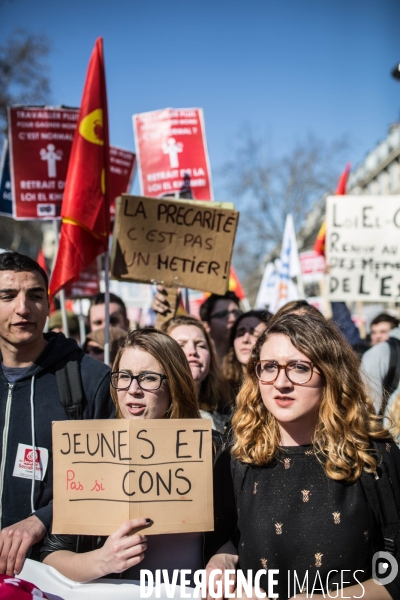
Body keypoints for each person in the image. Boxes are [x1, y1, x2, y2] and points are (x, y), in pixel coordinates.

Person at [207, 312, 400, 599]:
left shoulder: (373, 454)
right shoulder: (238, 451)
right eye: (269, 366)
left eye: (299, 367)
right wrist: (221, 558)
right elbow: (221, 535)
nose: (281, 382)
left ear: (330, 373)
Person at [41, 329, 205, 582]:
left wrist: (222, 558)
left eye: (149, 378)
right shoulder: (91, 452)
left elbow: (234, 536)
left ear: (174, 384)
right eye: (124, 376)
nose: (133, 389)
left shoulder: (211, 452)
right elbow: (51, 556)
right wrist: (100, 561)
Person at [0, 252, 114, 577]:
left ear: (48, 305)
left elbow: (110, 477)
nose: (23, 308)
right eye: (8, 296)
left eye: (35, 296)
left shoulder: (89, 380)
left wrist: (43, 520)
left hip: (53, 576)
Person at [161, 315, 232, 432]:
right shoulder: (151, 416)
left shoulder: (229, 413)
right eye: (181, 345)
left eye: (200, 345)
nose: (193, 351)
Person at [222, 310, 271, 393]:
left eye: (255, 334)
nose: (245, 339)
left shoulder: (276, 386)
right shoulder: (222, 388)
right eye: (240, 334)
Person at [362, 319, 400, 415]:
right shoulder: (369, 353)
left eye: (383, 332)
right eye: (374, 332)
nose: (378, 336)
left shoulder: (376, 353)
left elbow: (370, 401)